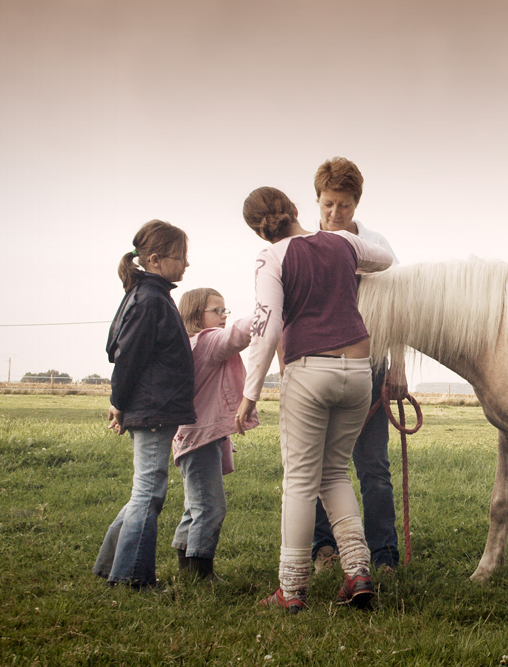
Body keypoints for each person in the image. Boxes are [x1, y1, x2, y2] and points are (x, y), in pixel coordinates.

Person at [235, 186, 393, 614]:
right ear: (295, 209)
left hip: (310, 370)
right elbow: (385, 259)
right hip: (359, 371)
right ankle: (359, 572)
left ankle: (291, 588)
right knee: (335, 474)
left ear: (258, 230)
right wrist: (351, 248)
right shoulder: (342, 242)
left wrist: (250, 393)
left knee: (300, 481)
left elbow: (266, 329)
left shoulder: (272, 257)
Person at [310, 156, 407, 573]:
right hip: (319, 365)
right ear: (317, 200)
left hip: (371, 365)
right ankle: (324, 548)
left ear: (357, 203)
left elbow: (400, 308)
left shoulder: (378, 246)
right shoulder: (304, 247)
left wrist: (397, 367)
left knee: (374, 466)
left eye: (344, 205)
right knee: (317, 462)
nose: (335, 214)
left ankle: (383, 553)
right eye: (328, 204)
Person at [93, 220, 196, 589]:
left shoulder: (146, 294)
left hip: (152, 405)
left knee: (143, 490)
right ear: (154, 259)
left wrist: (121, 401)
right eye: (180, 257)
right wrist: (117, 401)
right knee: (148, 492)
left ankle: (110, 565)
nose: (185, 264)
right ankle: (131, 577)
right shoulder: (151, 299)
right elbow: (127, 356)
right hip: (153, 407)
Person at [170, 288, 258, 581]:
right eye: (217, 311)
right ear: (197, 315)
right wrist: (267, 311)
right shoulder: (206, 341)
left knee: (194, 506)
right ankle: (200, 572)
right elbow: (237, 335)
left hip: (193, 436)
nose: (223, 317)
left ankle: (188, 567)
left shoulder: (189, 344)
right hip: (200, 438)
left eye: (225, 311)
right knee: (210, 507)